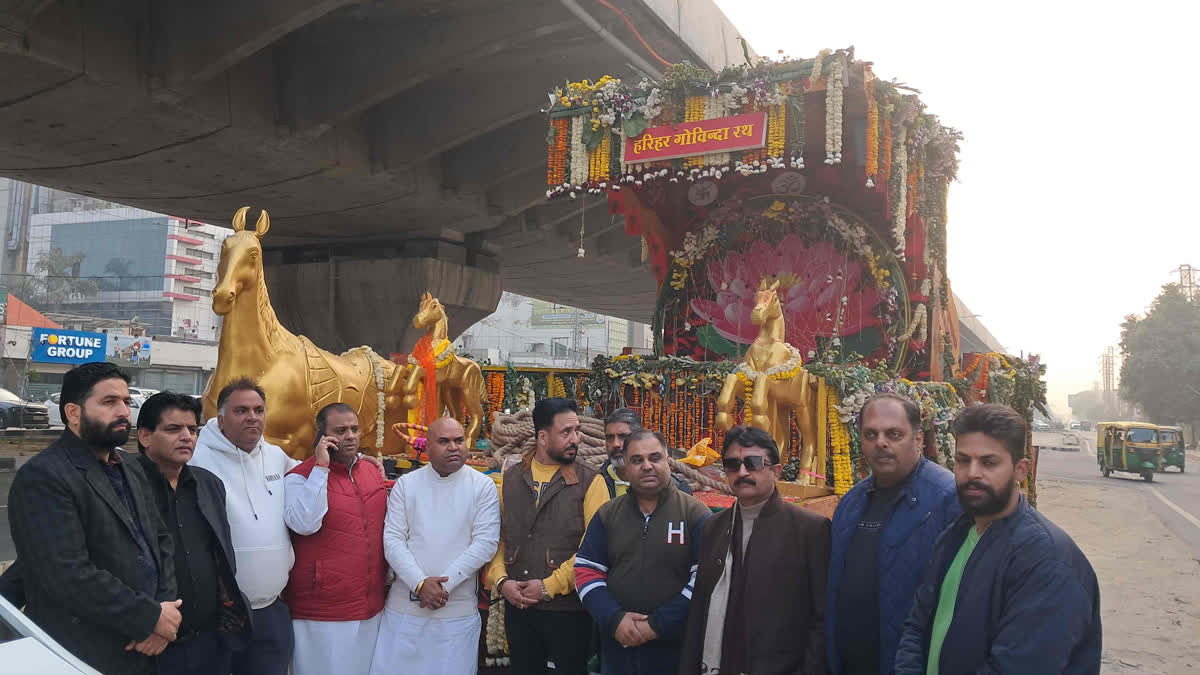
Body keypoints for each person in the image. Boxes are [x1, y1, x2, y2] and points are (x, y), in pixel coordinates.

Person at [894, 404, 1102, 674]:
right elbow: (917, 625)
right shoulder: (955, 535)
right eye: (963, 460)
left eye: (989, 462)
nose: (972, 474)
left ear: (1021, 469)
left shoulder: (1047, 560)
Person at [8, 362, 180, 675]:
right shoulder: (44, 477)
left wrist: (164, 614)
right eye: (109, 402)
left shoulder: (131, 467)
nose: (124, 412)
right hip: (83, 652)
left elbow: (161, 541)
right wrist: (148, 617)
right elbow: (67, 575)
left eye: (127, 402)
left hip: (146, 650)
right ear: (73, 413)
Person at [825, 393, 961, 675]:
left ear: (919, 439)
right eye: (870, 434)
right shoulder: (851, 502)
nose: (881, 443)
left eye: (894, 433)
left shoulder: (949, 500)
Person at [679, 425, 830, 674]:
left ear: (776, 471)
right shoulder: (714, 527)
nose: (742, 472)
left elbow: (822, 619)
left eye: (753, 463)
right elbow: (699, 610)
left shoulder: (810, 530)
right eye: (732, 464)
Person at [485, 397, 609, 675]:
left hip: (569, 612)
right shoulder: (511, 477)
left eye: (576, 430)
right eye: (566, 432)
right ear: (542, 437)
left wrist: (549, 585)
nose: (575, 438)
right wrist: (501, 580)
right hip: (518, 608)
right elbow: (499, 538)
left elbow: (595, 549)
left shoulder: (591, 481)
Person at [370, 416, 500, 675]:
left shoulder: (482, 486)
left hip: (455, 612)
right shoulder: (407, 485)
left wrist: (441, 587)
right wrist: (419, 584)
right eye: (444, 441)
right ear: (427, 447)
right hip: (405, 612)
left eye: (459, 440)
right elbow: (393, 540)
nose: (454, 447)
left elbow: (485, 544)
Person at [575, 429, 710, 674]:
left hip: (676, 649)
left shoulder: (695, 514)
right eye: (637, 460)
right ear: (624, 468)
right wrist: (615, 620)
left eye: (655, 457)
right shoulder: (608, 514)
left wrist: (657, 625)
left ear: (667, 459)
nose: (647, 466)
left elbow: (705, 579)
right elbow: (586, 571)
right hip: (618, 647)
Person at [135, 392, 251, 674]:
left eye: (192, 429)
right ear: (145, 437)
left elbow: (220, 554)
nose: (187, 436)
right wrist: (143, 621)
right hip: (151, 645)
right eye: (174, 429)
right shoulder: (124, 487)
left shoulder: (208, 485)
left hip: (211, 642)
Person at [189, 377, 298, 675]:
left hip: (271, 611)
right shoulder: (196, 458)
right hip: (219, 616)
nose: (252, 416)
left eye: (259, 410)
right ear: (221, 419)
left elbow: (314, 472)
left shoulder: (276, 457)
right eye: (241, 410)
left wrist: (365, 461)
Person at [282, 403, 389, 675]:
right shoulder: (300, 477)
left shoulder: (371, 470)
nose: (350, 436)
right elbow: (304, 524)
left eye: (354, 429)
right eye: (340, 431)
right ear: (321, 436)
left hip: (369, 604)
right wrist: (321, 469)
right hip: (322, 610)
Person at [599, 407, 692, 498]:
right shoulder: (595, 482)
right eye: (610, 438)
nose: (615, 444)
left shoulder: (677, 488)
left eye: (623, 436)